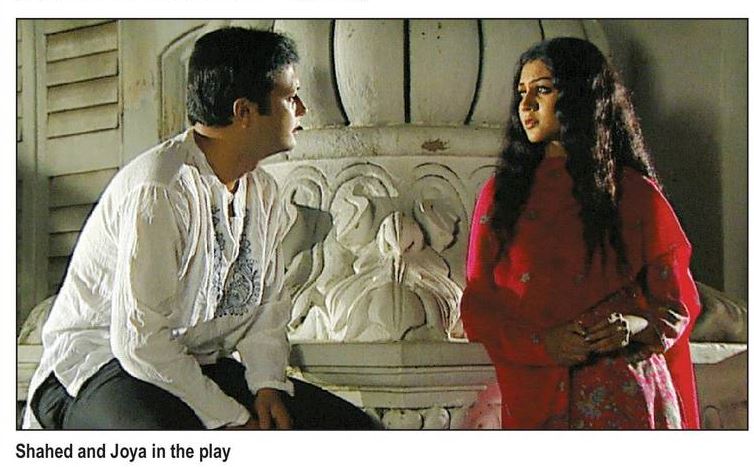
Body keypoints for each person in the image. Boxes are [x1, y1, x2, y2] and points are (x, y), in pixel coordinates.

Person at [23, 27, 374, 430]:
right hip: (98, 366)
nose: (302, 109)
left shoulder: (263, 192)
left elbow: (268, 308)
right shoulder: (162, 187)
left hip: (190, 365)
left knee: (352, 429)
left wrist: (266, 385)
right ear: (244, 112)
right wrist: (230, 418)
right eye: (290, 96)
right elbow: (139, 341)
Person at [460, 37, 700, 429]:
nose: (526, 105)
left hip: (628, 398)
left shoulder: (634, 193)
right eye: (521, 93)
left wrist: (631, 326)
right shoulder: (503, 197)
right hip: (535, 394)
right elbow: (479, 307)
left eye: (542, 90)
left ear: (580, 96)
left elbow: (675, 308)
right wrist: (543, 345)